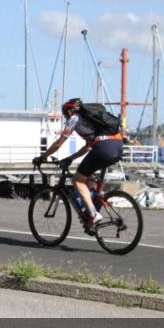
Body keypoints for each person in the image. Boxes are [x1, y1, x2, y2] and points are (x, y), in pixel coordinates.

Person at [33, 98, 124, 233]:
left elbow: (59, 143)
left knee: (77, 180)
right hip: (118, 146)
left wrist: (43, 157)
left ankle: (93, 214)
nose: (66, 117)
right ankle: (93, 210)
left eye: (65, 114)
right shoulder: (92, 121)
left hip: (103, 147)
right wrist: (70, 158)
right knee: (87, 178)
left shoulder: (74, 118)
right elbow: (88, 147)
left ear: (69, 111)